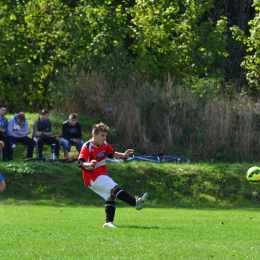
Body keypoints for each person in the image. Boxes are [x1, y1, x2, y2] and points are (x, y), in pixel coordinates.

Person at [78, 122, 148, 228]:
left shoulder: (104, 144)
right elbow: (80, 163)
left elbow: (112, 153)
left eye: (105, 136)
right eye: (102, 135)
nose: (104, 138)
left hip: (101, 175)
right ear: (94, 135)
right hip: (92, 177)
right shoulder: (87, 147)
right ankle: (135, 203)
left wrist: (123, 155)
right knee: (114, 188)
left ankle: (108, 222)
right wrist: (89, 164)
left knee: (111, 196)